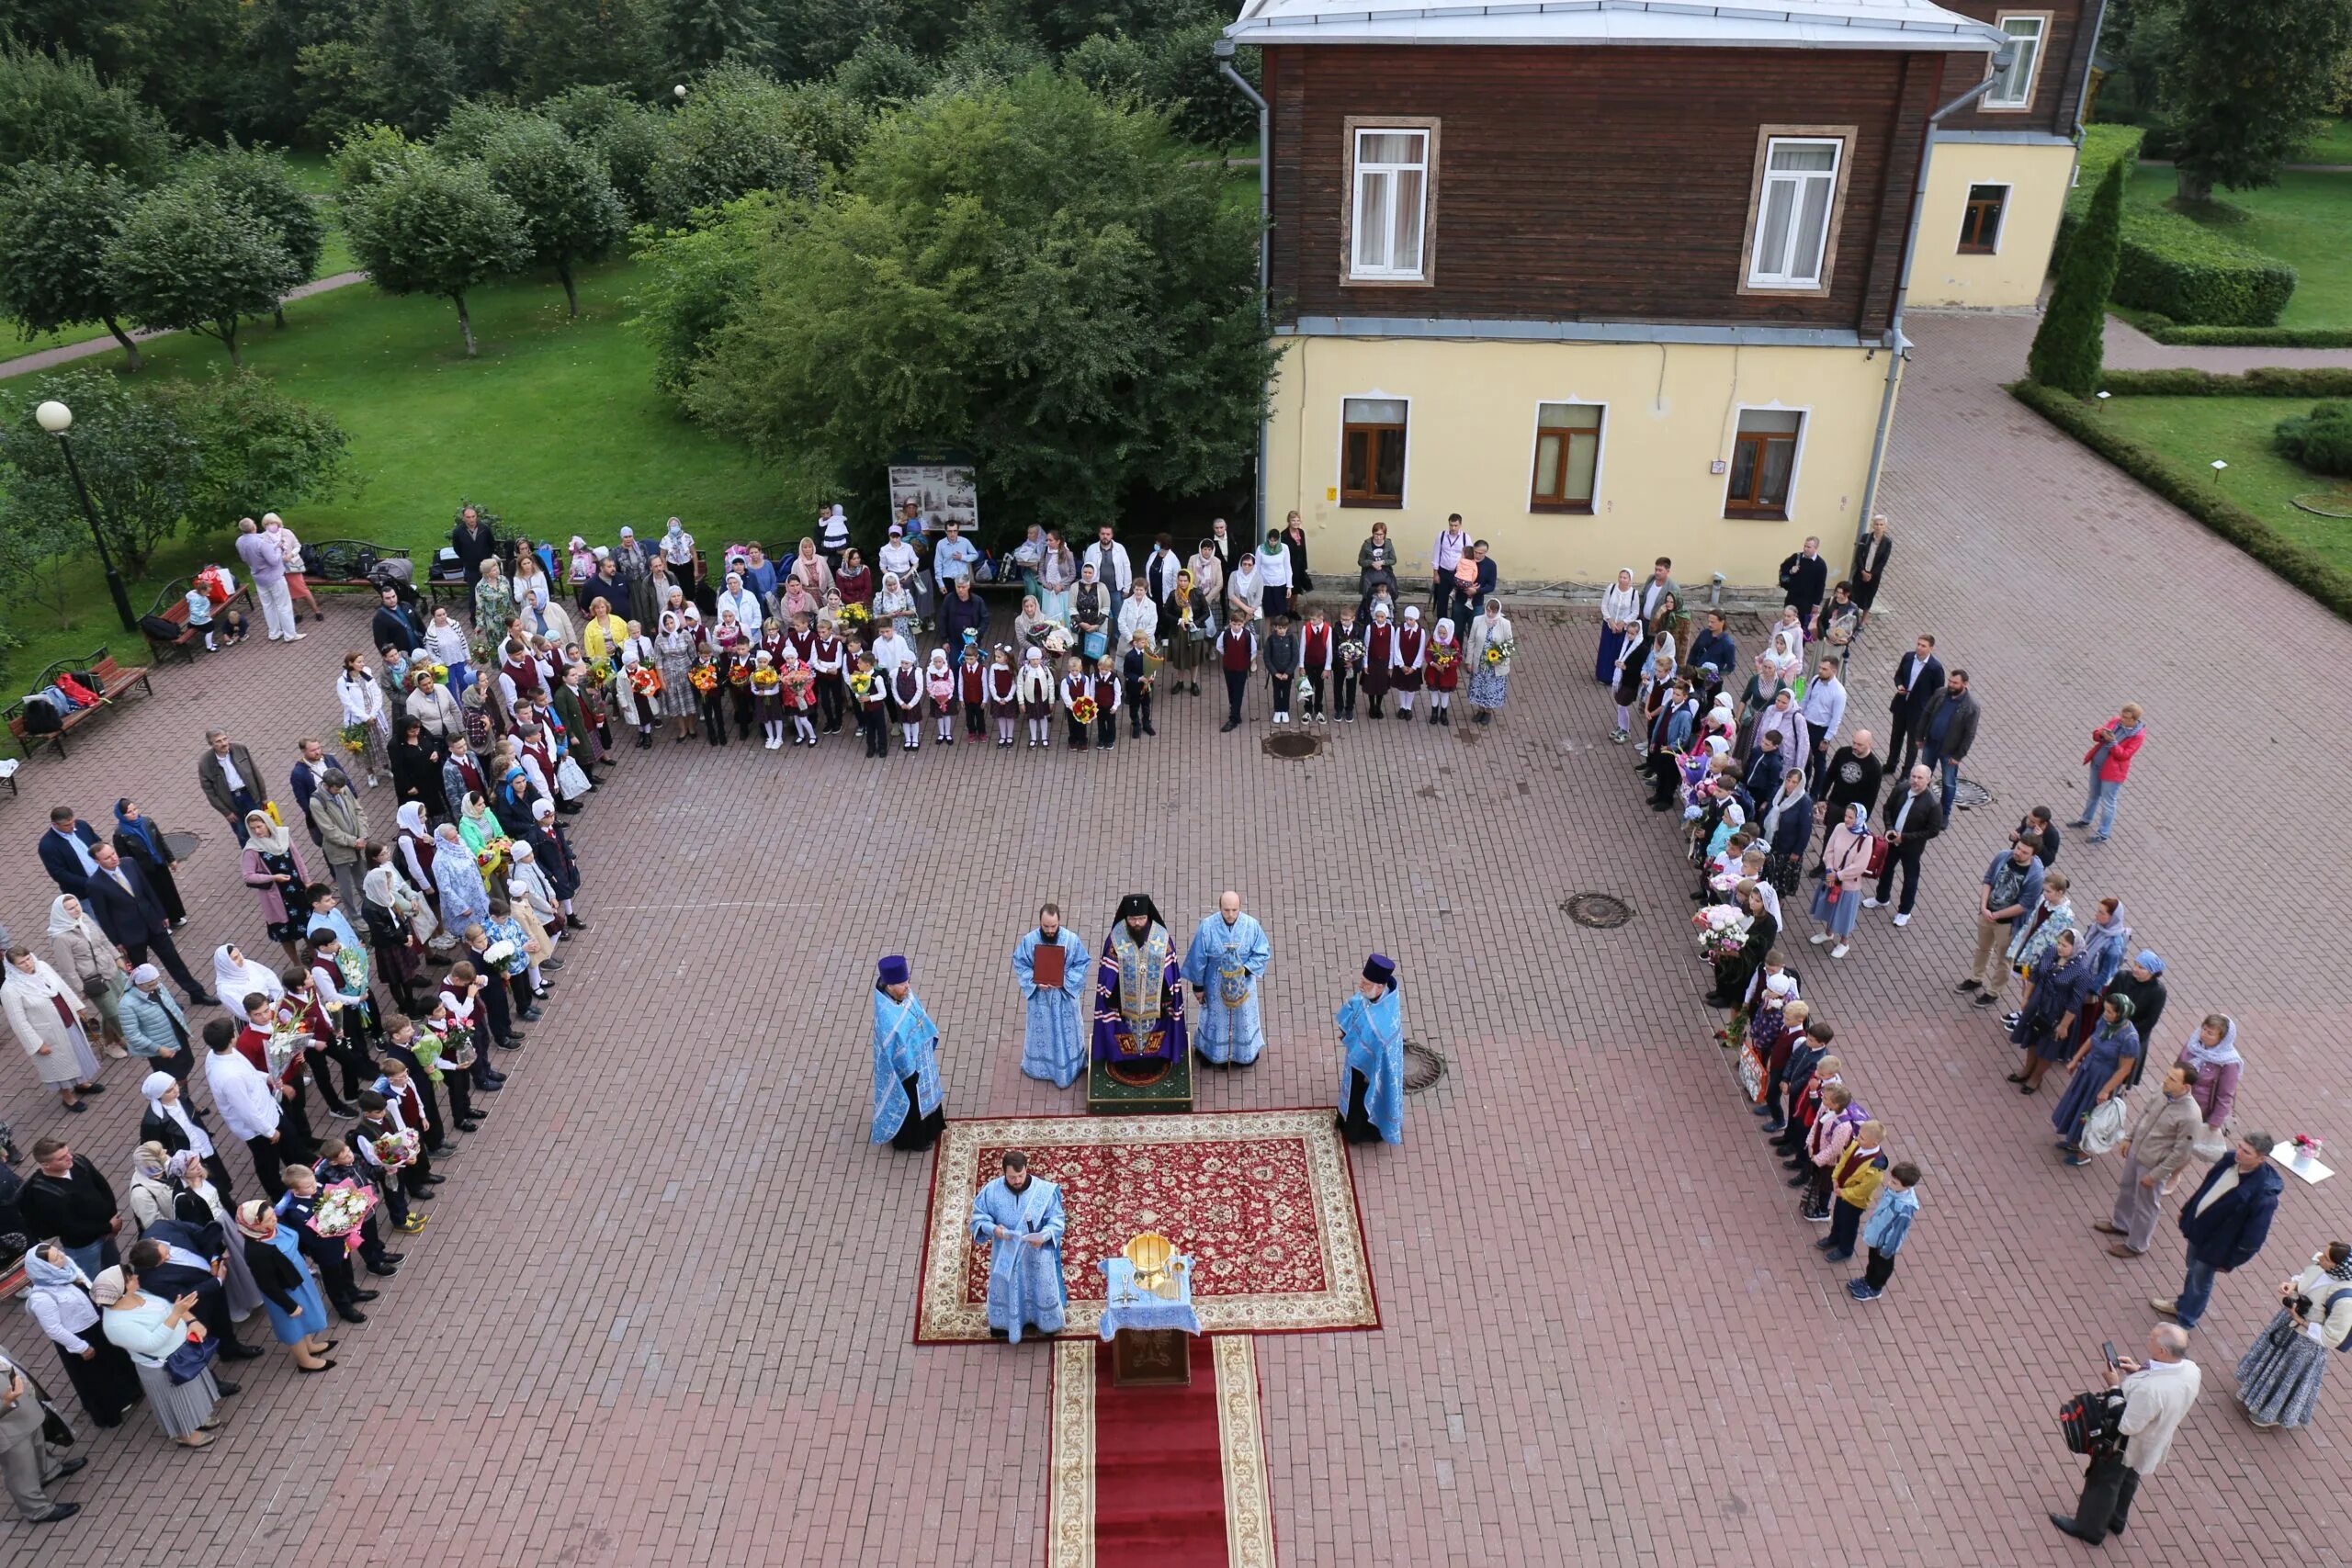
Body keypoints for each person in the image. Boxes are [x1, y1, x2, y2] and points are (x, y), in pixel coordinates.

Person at [2050, 1323, 2199, 1545]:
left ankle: (2090, 1529)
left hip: (2126, 1445)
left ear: (2163, 1352)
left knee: (2104, 1481)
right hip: (2152, 1441)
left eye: (2153, 1338)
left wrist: (2114, 1387)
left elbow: (2126, 1424)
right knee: (2129, 1479)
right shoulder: (2191, 1369)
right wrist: (2140, 1369)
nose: (2148, 1338)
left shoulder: (2151, 1391)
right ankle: (2116, 1519)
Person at [2157, 1134, 2283, 1329]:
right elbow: (2206, 1188)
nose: (2239, 1153)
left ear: (2262, 1159)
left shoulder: (2263, 1196)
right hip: (2199, 1231)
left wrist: (2232, 1261)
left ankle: (2186, 1320)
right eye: (2240, 1147)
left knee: (2201, 1279)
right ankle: (2183, 1305)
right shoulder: (2228, 1161)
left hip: (2218, 1247)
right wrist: (2188, 1210)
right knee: (2193, 1268)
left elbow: (2253, 1239)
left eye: (2246, 1152)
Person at [95, 1258, 225, 1447]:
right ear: (120, 1292)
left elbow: (170, 1306)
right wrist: (176, 1315)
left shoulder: (138, 1293)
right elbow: (151, 1343)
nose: (136, 1278)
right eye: (130, 1279)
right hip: (163, 1366)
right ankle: (186, 1434)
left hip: (182, 1354)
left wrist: (190, 1321)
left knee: (193, 1392)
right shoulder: (116, 1325)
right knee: (178, 1401)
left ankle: (198, 1417)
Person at [22, 1242, 141, 1428]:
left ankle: (129, 1393)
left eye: (59, 1253)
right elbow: (54, 1329)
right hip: (79, 1336)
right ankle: (109, 1411)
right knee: (96, 1377)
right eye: (55, 1259)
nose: (62, 1257)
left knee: (115, 1361)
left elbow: (88, 1285)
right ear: (44, 1268)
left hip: (96, 1325)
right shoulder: (42, 1297)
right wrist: (81, 1347)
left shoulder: (67, 1268)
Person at [2235, 1241, 2352, 1428]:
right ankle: (2256, 1395)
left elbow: (2332, 1336)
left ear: (2337, 1266)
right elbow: (2305, 1278)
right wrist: (2292, 1285)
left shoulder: (2346, 1299)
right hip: (2291, 1323)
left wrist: (2300, 1320)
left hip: (2307, 1342)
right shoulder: (2323, 1267)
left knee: (2287, 1375)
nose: (2320, 1258)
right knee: (2274, 1363)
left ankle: (2272, 1414)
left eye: (2326, 1258)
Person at [2098, 1064, 2206, 1258]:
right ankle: (2121, 1224)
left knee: (2146, 1205)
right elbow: (2144, 1114)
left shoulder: (2191, 1116)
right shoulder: (2162, 1091)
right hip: (2136, 1152)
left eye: (2173, 1079)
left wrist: (2156, 1175)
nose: (2166, 1080)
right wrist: (2129, 1138)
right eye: (2167, 1075)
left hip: (2153, 1165)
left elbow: (2181, 1153)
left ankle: (2137, 1245)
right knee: (2126, 1187)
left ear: (2186, 1087)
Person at [83, 845, 212, 1003]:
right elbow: (103, 916)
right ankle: (160, 1001)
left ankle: (196, 993)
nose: (114, 858)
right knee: (142, 972)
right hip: (130, 934)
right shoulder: (95, 884)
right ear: (97, 861)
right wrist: (116, 941)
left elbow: (147, 889)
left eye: (113, 853)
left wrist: (162, 914)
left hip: (153, 923)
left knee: (174, 961)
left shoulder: (129, 863)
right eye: (107, 858)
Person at [967, 1151, 1065, 1344]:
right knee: (1007, 1288)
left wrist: (1044, 1236)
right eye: (1012, 1177)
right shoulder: (991, 1191)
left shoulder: (1042, 1191)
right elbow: (978, 1218)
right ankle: (1004, 1325)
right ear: (1004, 1173)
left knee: (1040, 1288)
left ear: (1027, 1170)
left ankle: (1045, 1325)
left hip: (1036, 1255)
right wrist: (994, 1229)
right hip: (1006, 1255)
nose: (1018, 1181)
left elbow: (1057, 1220)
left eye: (1021, 1176)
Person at [232, 1201, 334, 1372]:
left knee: (305, 1318)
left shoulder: (271, 1230)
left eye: (273, 1215)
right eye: (269, 1219)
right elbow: (267, 1285)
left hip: (297, 1280)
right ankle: (304, 1361)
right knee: (293, 1326)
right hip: (285, 1292)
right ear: (255, 1225)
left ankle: (309, 1345)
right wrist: (290, 1305)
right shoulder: (257, 1253)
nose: (275, 1219)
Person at [1091, 895, 1189, 1074]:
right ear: (1126, 918)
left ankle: (1157, 1057)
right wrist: (1111, 997)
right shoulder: (1115, 939)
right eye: (1133, 919)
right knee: (1127, 1033)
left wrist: (1168, 997)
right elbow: (1108, 972)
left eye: (1141, 918)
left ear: (1148, 917)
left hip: (1157, 1003)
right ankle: (1125, 1059)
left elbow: (1171, 970)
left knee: (1155, 1033)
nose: (1137, 923)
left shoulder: (1162, 938)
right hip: (1124, 1003)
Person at [5, 950, 104, 1115]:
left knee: (77, 1054)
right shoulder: (10, 990)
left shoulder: (42, 967)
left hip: (67, 1021)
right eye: (22, 963)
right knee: (59, 1067)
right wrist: (37, 1044)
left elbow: (61, 987)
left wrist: (77, 1007)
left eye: (28, 959)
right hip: (47, 1035)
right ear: (13, 967)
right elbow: (18, 1022)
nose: (28, 964)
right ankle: (67, 1097)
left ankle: (81, 1084)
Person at [2053, 996, 2142, 1164]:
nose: (2105, 1013)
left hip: (2102, 1079)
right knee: (2078, 1104)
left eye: (2109, 1011)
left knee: (2091, 1114)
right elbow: (2092, 1040)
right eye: (2105, 1009)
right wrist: (2075, 1059)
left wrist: (2106, 1090)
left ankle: (2085, 1154)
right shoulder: (2105, 1021)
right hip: (2089, 1071)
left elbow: (2125, 1069)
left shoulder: (2130, 1039)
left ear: (2121, 1014)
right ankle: (2074, 1139)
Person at [1184, 893, 1270, 1067]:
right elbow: (1198, 958)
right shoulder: (1207, 926)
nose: (1230, 914)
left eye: (1234, 910)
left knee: (1243, 1018)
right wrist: (1198, 987)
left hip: (1243, 985)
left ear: (1240, 908)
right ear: (1219, 908)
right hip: (1215, 981)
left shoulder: (1252, 926)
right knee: (1214, 1019)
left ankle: (1243, 1054)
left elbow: (1262, 952)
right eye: (1226, 910)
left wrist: (1244, 971)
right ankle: (1211, 1053)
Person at [1956, 838, 2044, 1002]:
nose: (2018, 852)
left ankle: (1993, 991)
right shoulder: (2003, 856)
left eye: (2025, 852)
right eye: (2018, 848)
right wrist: (1983, 906)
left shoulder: (2036, 876)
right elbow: (1988, 880)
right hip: (1987, 913)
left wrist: (1997, 915)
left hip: (2008, 924)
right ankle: (1976, 978)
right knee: (1982, 948)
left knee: (2004, 959)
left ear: (2033, 854)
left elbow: (2024, 905)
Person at [870, 956, 943, 1151]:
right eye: (903, 984)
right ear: (890, 986)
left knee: (928, 1093)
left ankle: (933, 1128)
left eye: (907, 981)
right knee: (912, 1100)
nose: (908, 987)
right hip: (905, 1068)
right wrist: (908, 1067)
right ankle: (914, 1141)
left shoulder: (904, 995)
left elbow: (917, 1014)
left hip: (921, 1055)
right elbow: (893, 1046)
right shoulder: (886, 1016)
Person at [1012, 907, 1090, 1089]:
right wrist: (1035, 982)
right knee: (1043, 1034)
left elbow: (1082, 963)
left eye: (1053, 926)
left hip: (1064, 999)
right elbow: (1020, 963)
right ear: (1040, 922)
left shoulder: (1071, 940)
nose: (1049, 930)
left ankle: (1071, 1067)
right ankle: (1040, 1068)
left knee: (1067, 1033)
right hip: (1041, 1001)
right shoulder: (1029, 941)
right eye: (1046, 926)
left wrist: (1064, 981)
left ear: (1059, 922)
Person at [17, 1141, 119, 1278]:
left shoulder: (79, 1162)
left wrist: (113, 1218)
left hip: (107, 1231)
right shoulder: (45, 1194)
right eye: (61, 1158)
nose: (70, 1157)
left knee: (114, 1266)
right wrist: (108, 1227)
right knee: (91, 1278)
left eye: (68, 1152)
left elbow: (103, 1187)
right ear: (45, 1165)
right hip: (84, 1245)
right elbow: (70, 1228)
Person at [44, 895, 127, 1057]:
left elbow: (102, 939)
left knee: (119, 1005)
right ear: (62, 912)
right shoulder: (60, 937)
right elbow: (67, 968)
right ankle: (123, 1039)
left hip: (110, 969)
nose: (77, 909)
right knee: (112, 1012)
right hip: (92, 980)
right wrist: (81, 988)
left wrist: (117, 957)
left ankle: (109, 1041)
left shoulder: (85, 918)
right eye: (71, 908)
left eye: (77, 905)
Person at [1336, 954, 1405, 1145]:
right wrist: (1345, 1030)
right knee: (1352, 1094)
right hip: (1357, 1059)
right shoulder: (1369, 995)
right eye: (1362, 981)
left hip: (1370, 1071)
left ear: (1380, 987)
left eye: (1365, 984)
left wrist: (1371, 1073)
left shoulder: (1384, 1026)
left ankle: (1361, 1133)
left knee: (1362, 1098)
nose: (1360, 986)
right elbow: (1355, 1006)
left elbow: (1383, 1053)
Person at [1846, 1162, 1920, 1302]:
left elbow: (1896, 1234)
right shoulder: (1895, 1191)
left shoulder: (1904, 1210)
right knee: (1873, 1261)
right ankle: (1868, 1280)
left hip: (1885, 1245)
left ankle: (1874, 1288)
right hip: (1878, 1237)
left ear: (1907, 1186)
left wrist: (1887, 1250)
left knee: (1881, 1266)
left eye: (1894, 1182)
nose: (1889, 1183)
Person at [1815, 1119, 1886, 1263]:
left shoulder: (1875, 1167)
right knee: (1838, 1216)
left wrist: (1844, 1193)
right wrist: (1835, 1178)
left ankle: (1845, 1249)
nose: (1857, 1138)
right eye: (1859, 1135)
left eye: (1862, 1138)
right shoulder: (1856, 1144)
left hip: (1855, 1200)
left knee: (1850, 1224)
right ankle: (1834, 1237)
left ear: (1874, 1143)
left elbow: (1863, 1190)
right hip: (1842, 1190)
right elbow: (1843, 1161)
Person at [2075, 704, 2146, 843]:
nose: (2121, 719)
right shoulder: (2116, 721)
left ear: (2134, 720)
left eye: (2126, 718)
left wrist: (2113, 742)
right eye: (2122, 716)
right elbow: (2097, 734)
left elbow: (2125, 755)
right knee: (2093, 794)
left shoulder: (2137, 736)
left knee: (2108, 802)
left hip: (2112, 773)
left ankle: (2103, 833)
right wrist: (2101, 734)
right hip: (2097, 764)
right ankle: (2085, 819)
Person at [1809, 804, 1871, 959]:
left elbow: (1859, 866)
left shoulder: (1866, 839)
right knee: (1830, 906)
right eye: (1846, 816)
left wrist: (1839, 876)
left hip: (1848, 884)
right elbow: (1829, 850)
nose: (1847, 820)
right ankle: (1828, 933)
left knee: (1845, 913)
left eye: (1851, 817)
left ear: (1860, 818)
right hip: (1832, 877)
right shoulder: (1839, 828)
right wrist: (1830, 869)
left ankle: (1844, 942)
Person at [1915, 668, 1978, 818]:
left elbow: (1969, 734)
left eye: (1955, 683)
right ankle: (1922, 806)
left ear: (1965, 684)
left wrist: (1958, 756)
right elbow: (1927, 713)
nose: (1951, 685)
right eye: (1950, 681)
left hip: (1949, 751)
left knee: (1948, 783)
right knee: (1925, 775)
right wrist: (1919, 736)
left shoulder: (1971, 707)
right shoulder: (1941, 693)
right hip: (1931, 743)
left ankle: (1944, 814)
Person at [235, 515, 301, 643]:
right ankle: (290, 634)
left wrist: (273, 548)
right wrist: (279, 549)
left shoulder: (239, 541)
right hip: (274, 577)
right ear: (254, 527)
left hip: (258, 577)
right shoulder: (262, 541)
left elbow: (244, 559)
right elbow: (273, 561)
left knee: (268, 606)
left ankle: (274, 633)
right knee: (283, 605)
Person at [1464, 600, 1512, 725]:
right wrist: (1469, 660)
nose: (1490, 614)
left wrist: (1500, 659)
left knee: (1491, 689)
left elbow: (1509, 644)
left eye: (1493, 611)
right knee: (1479, 687)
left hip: (1494, 665)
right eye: (1488, 610)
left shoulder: (1505, 624)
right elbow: (1471, 641)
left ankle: (1488, 712)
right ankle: (1480, 710)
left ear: (1498, 611)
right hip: (1480, 662)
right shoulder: (1477, 620)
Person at [37, 807, 104, 896]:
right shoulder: (48, 846)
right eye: (67, 825)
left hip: (105, 879)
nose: (73, 826)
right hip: (84, 893)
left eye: (73, 822)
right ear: (54, 824)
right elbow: (59, 874)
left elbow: (98, 844)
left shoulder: (82, 825)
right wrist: (89, 883)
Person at [1216, 612, 1257, 733]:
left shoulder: (1248, 636)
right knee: (1231, 689)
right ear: (1230, 623)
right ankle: (1235, 711)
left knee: (1239, 691)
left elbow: (1253, 651)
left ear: (1243, 624)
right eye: (1234, 624)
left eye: (1239, 624)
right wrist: (1228, 656)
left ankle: (1233, 718)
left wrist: (1245, 661)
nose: (1237, 627)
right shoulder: (1225, 634)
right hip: (1228, 667)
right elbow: (1219, 647)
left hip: (1241, 669)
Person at [1778, 535, 1829, 631]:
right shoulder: (1796, 557)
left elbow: (1820, 586)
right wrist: (1790, 571)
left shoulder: (1821, 565)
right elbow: (1783, 567)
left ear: (1815, 548)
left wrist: (1816, 604)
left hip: (1807, 602)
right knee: (1787, 622)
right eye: (1805, 546)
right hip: (1792, 597)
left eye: (1809, 547)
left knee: (1802, 627)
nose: (1805, 549)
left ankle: (1799, 645)